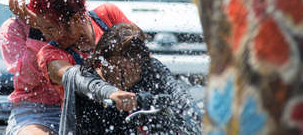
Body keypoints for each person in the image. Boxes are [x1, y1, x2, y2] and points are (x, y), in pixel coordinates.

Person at [68, 23, 202, 134]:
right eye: (119, 69)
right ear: (101, 62)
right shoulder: (81, 74)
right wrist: (113, 93)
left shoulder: (150, 68)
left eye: (132, 70)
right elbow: (92, 86)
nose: (124, 76)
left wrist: (195, 114)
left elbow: (177, 92)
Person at [0, 0, 62, 135]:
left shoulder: (74, 21)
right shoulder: (12, 29)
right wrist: (37, 29)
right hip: (36, 111)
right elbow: (29, 79)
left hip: (79, 104)